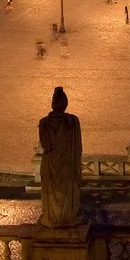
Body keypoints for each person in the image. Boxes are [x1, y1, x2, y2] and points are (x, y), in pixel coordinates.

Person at [38, 87, 84, 228]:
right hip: (67, 166)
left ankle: (52, 217)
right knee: (67, 194)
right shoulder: (73, 121)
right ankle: (66, 216)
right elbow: (78, 148)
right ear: (65, 104)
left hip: (51, 166)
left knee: (51, 193)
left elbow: (45, 145)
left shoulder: (44, 122)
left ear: (53, 103)